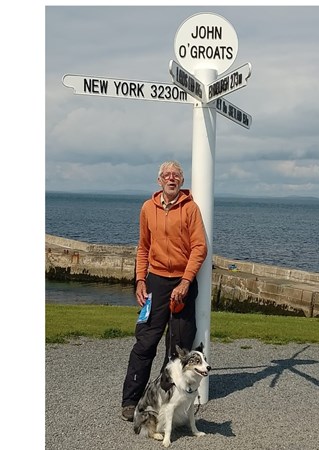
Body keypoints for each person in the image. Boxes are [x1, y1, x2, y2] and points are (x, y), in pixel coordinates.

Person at [120, 160, 208, 421]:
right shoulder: (148, 208)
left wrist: (185, 282)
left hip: (183, 282)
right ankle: (131, 400)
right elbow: (143, 247)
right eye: (166, 175)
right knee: (146, 341)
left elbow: (199, 248)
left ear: (182, 181)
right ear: (159, 180)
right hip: (155, 282)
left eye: (176, 175)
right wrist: (140, 280)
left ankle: (163, 399)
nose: (171, 178)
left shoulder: (190, 208)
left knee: (178, 347)